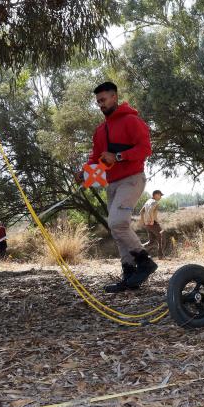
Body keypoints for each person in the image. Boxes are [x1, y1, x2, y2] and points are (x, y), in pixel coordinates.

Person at [85, 82, 158, 293]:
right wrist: (84, 174)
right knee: (117, 229)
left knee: (117, 222)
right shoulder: (100, 131)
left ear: (114, 97)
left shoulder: (131, 121)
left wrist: (117, 156)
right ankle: (129, 276)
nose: (100, 104)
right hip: (112, 184)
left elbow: (145, 149)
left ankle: (145, 262)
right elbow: (95, 159)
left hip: (132, 179)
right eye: (98, 101)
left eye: (104, 99)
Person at [140, 190, 164, 259]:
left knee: (151, 241)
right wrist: (152, 220)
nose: (160, 197)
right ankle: (161, 256)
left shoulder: (147, 201)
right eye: (160, 195)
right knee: (161, 237)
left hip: (147, 224)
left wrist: (143, 221)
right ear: (155, 195)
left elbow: (141, 212)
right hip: (153, 223)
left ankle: (138, 249)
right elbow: (150, 210)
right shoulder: (155, 202)